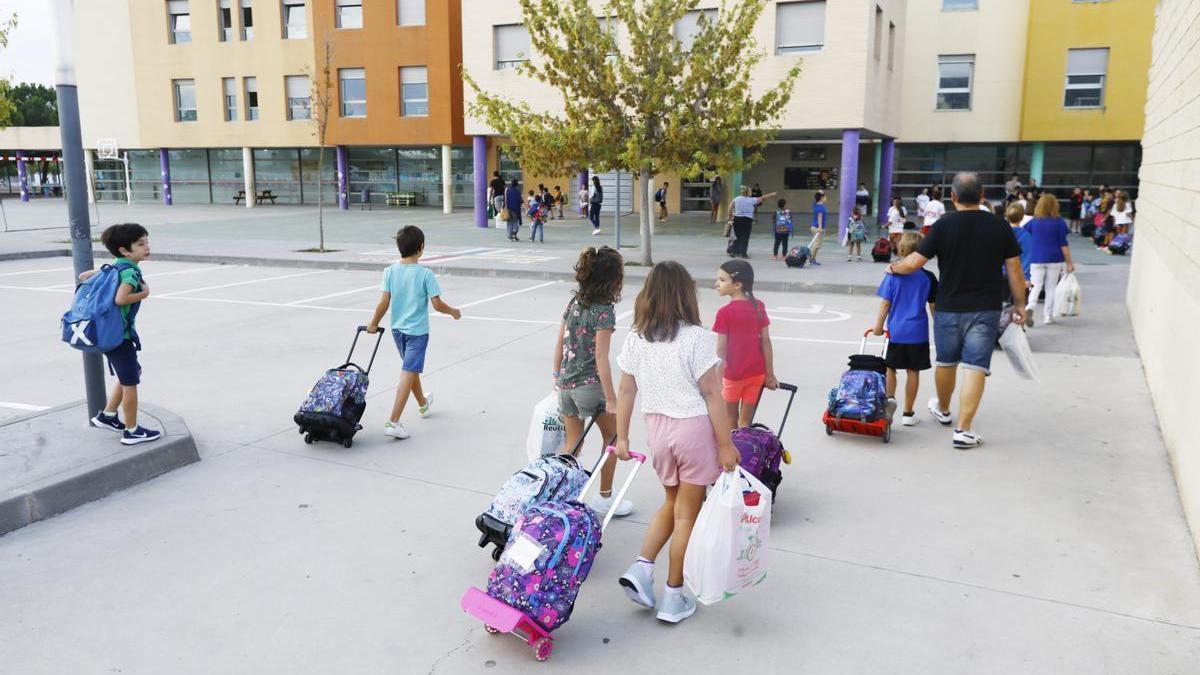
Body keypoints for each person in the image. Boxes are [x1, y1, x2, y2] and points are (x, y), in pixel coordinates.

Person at [614, 261, 738, 624]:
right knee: (687, 514)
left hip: (658, 431)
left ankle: (642, 567)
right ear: (685, 295)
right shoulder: (697, 337)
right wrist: (726, 445)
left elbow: (626, 390)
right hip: (694, 430)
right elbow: (713, 395)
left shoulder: (635, 337)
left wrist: (622, 437)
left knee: (671, 501)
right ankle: (672, 595)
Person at [888, 172, 1027, 450]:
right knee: (976, 367)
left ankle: (943, 408)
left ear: (952, 197)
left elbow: (915, 261)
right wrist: (1020, 305)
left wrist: (894, 267)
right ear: (982, 194)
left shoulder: (943, 225)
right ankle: (963, 430)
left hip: (948, 307)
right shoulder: (1000, 226)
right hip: (985, 309)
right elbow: (1014, 270)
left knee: (946, 362)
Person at [553, 246, 634, 517]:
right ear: (613, 281)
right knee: (612, 437)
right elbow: (601, 357)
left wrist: (557, 375)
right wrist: (611, 397)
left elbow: (560, 342)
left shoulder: (573, 303)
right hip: (590, 386)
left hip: (566, 384)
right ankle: (605, 497)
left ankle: (561, 495)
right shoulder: (604, 311)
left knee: (573, 443)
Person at [366, 226, 462, 440]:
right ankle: (393, 421)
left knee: (411, 369)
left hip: (397, 330)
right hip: (417, 332)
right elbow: (437, 305)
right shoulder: (426, 274)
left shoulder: (390, 271)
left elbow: (383, 302)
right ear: (421, 248)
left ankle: (423, 405)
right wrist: (454, 312)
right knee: (408, 371)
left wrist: (373, 323)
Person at [83, 223, 162, 445]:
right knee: (130, 382)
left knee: (133, 370)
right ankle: (132, 430)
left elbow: (83, 276)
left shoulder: (117, 266)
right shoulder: (130, 272)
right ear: (125, 250)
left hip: (109, 335)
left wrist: (101, 274)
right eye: (140, 244)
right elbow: (120, 299)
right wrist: (144, 293)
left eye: (146, 241)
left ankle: (107, 416)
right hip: (120, 337)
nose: (147, 247)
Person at [873, 231, 937, 428]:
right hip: (918, 332)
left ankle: (890, 400)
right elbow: (934, 307)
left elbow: (885, 304)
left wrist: (878, 327)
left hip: (896, 331)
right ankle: (908, 414)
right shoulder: (928, 277)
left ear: (901, 249)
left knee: (890, 368)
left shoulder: (892, 275)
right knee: (913, 370)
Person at [713, 260, 778, 431]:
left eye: (721, 280)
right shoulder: (759, 306)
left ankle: (735, 456)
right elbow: (766, 341)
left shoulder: (724, 313)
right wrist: (770, 376)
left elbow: (720, 351)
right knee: (745, 423)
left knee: (730, 423)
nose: (716, 284)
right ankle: (748, 452)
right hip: (757, 374)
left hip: (733, 375)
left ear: (737, 285)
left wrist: (717, 381)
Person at [1024, 194, 1076, 326]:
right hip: (1054, 259)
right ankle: (1048, 316)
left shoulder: (1033, 222)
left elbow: (1025, 237)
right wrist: (1069, 263)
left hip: (1036, 258)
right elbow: (1063, 245)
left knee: (1035, 286)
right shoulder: (1059, 223)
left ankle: (1030, 307)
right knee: (1051, 288)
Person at [728, 185, 776, 259]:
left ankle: (733, 251)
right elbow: (763, 198)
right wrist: (771, 194)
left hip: (737, 219)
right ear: (748, 192)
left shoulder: (736, 199)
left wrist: (730, 218)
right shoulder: (752, 200)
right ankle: (742, 253)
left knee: (738, 237)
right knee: (745, 237)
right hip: (747, 220)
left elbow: (730, 208)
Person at [1006, 202, 1032, 290]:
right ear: (1022, 217)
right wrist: (1026, 278)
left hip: (1000, 275)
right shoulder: (1025, 235)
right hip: (1016, 275)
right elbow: (1026, 258)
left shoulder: (1000, 232)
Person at [809, 190, 828, 266]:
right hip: (818, 228)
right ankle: (812, 259)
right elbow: (820, 217)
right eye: (824, 196)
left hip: (813, 227)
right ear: (821, 198)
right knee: (816, 245)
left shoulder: (815, 204)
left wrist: (820, 192)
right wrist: (820, 227)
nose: (826, 198)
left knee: (815, 244)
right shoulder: (821, 207)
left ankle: (812, 258)